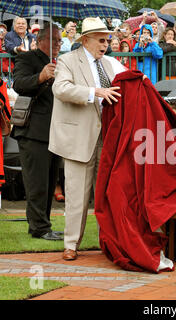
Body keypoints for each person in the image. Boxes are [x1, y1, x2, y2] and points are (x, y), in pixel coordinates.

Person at [49, 17, 127, 261]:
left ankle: (109, 244)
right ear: (85, 39)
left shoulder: (111, 64)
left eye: (108, 40)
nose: (106, 44)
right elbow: (60, 89)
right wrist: (95, 92)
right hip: (78, 140)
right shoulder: (67, 60)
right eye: (101, 40)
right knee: (76, 197)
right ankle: (71, 244)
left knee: (105, 196)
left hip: (107, 140)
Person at [11, 23, 63, 241]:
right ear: (41, 40)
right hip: (33, 131)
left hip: (54, 131)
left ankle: (44, 225)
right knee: (37, 183)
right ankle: (39, 228)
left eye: (60, 40)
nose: (58, 44)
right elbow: (19, 84)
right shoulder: (28, 58)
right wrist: (40, 77)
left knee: (50, 182)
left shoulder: (60, 63)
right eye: (54, 40)